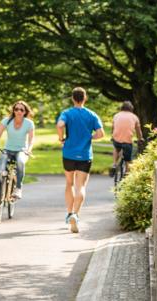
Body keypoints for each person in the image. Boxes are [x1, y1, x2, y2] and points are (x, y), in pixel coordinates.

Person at [56, 87, 104, 233]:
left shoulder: (67, 113)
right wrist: (90, 137)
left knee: (69, 183)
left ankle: (69, 213)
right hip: (85, 155)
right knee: (81, 186)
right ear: (85, 98)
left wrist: (61, 138)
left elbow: (60, 125)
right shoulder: (92, 114)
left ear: (72, 98)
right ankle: (76, 215)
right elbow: (101, 133)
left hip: (69, 154)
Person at [0, 101, 35, 204]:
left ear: (25, 112)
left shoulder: (29, 123)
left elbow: (31, 139)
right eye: (16, 109)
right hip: (7, 150)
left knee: (20, 162)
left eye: (21, 110)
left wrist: (29, 149)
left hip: (22, 150)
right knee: (0, 171)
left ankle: (18, 189)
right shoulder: (7, 121)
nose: (18, 111)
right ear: (13, 111)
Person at [109, 101, 142, 177]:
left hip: (116, 139)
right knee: (128, 160)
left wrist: (112, 136)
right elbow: (138, 131)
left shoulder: (116, 115)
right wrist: (140, 139)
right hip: (127, 141)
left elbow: (113, 127)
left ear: (122, 108)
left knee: (116, 148)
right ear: (131, 109)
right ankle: (127, 175)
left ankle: (114, 164)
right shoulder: (134, 117)